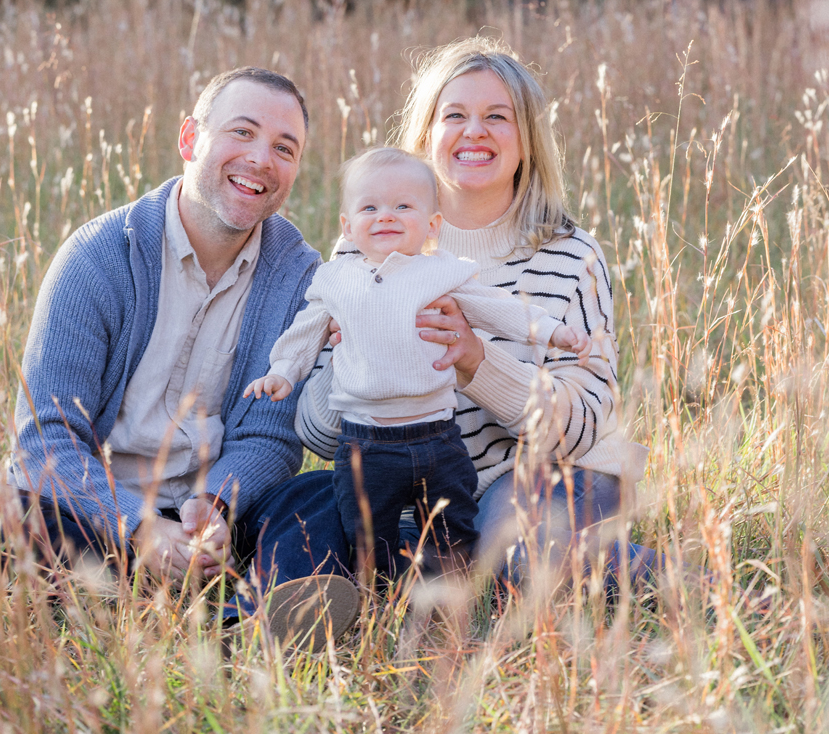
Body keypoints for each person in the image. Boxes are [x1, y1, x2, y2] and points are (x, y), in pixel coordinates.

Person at [0, 66, 360, 646]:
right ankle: (179, 600)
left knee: (330, 496)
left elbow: (271, 438)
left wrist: (214, 504)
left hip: (223, 525)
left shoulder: (298, 277)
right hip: (100, 520)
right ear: (190, 139)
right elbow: (46, 441)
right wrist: (138, 529)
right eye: (242, 133)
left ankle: (259, 617)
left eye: (283, 148)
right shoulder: (98, 257)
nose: (262, 159)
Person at [296, 38, 654, 593]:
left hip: (546, 476)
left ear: (527, 139)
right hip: (415, 480)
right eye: (455, 115)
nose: (474, 131)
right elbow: (318, 435)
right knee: (322, 523)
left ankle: (713, 588)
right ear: (426, 136)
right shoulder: (368, 247)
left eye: (497, 117)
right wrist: (351, 361)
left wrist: (476, 360)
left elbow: (582, 427)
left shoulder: (570, 255)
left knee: (512, 550)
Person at [244, 146, 590, 575]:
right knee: (367, 531)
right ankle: (377, 598)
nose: (385, 216)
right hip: (365, 442)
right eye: (370, 207)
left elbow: (499, 308)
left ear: (432, 226)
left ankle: (450, 594)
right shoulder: (336, 279)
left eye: (402, 206)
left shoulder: (440, 272)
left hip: (436, 437)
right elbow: (306, 331)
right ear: (347, 227)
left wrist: (553, 330)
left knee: (451, 527)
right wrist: (282, 371)